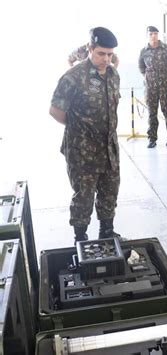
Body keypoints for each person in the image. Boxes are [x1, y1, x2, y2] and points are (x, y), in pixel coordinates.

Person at [50, 27, 122, 244]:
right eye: (101, 54)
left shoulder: (112, 74)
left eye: (110, 55)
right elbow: (55, 111)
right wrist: (79, 128)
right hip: (82, 151)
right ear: (90, 49)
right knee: (84, 196)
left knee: (110, 192)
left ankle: (107, 232)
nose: (106, 59)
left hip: (109, 148)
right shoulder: (73, 77)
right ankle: (80, 238)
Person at [139, 25, 167, 148]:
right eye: (151, 34)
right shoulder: (144, 51)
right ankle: (152, 139)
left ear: (158, 35)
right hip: (150, 88)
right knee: (152, 113)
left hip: (165, 88)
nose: (153, 36)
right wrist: (147, 77)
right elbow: (141, 67)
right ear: (147, 36)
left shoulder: (166, 49)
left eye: (155, 33)